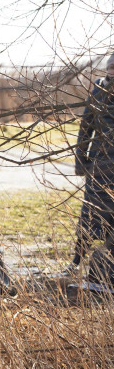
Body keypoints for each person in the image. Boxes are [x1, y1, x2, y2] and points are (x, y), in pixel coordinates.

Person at [71, 54, 114, 285]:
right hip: (100, 166)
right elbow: (85, 128)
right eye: (110, 68)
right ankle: (77, 260)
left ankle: (105, 271)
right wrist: (81, 159)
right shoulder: (98, 91)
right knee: (90, 216)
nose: (112, 72)